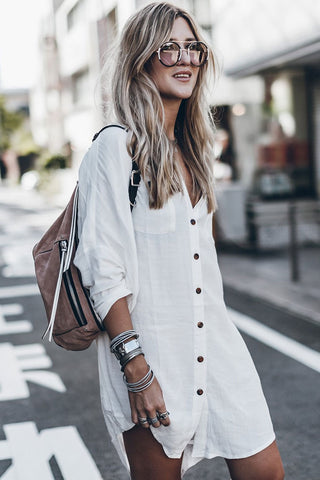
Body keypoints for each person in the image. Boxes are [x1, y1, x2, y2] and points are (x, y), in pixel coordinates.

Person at [74, 2, 285, 479]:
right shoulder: (114, 148)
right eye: (169, 48)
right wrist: (136, 369)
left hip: (218, 346)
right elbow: (103, 268)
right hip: (153, 356)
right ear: (141, 58)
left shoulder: (192, 151)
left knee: (266, 471)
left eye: (193, 47)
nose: (185, 58)